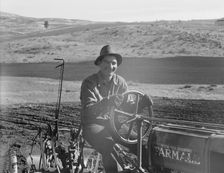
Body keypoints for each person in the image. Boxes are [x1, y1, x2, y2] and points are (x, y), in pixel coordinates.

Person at [80, 45, 153, 173]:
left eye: (113, 63)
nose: (110, 66)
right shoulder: (89, 83)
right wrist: (108, 102)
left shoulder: (121, 82)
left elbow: (128, 107)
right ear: (99, 63)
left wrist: (141, 104)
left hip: (114, 124)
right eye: (106, 62)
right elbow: (88, 110)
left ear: (117, 65)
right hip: (93, 124)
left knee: (143, 146)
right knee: (109, 147)